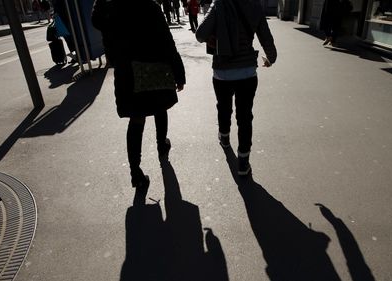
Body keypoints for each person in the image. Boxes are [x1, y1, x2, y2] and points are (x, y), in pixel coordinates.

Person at [92, 0, 186, 189]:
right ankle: (161, 145)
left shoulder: (110, 8)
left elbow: (98, 21)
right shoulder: (149, 6)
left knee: (136, 120)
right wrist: (179, 72)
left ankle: (136, 172)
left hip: (127, 73)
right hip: (154, 66)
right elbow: (167, 41)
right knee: (160, 108)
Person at [195, 0, 277, 176]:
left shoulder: (219, 4)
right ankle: (243, 163)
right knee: (245, 116)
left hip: (222, 72)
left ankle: (224, 137)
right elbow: (265, 35)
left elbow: (200, 34)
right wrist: (271, 56)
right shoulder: (254, 6)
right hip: (247, 71)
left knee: (224, 107)